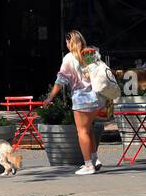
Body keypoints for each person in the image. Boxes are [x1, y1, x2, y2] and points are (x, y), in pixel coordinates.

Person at [45, 30, 107, 175]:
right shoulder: (90, 53)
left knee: (82, 132)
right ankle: (94, 159)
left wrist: (50, 97)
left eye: (66, 42)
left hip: (81, 99)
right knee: (89, 129)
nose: (66, 45)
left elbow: (60, 81)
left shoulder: (68, 58)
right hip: (97, 98)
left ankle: (88, 165)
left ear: (69, 42)